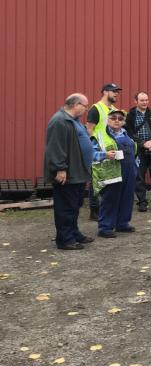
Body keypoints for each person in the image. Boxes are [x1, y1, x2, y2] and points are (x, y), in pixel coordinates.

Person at [44, 94, 94, 250]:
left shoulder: (73, 121)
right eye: (85, 106)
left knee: (74, 205)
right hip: (68, 173)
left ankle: (74, 232)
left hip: (78, 172)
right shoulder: (59, 121)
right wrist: (60, 168)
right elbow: (55, 147)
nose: (86, 109)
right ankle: (65, 239)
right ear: (75, 104)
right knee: (65, 207)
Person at [91, 109, 137, 237]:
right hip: (111, 173)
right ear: (107, 120)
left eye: (120, 118)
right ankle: (105, 227)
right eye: (113, 117)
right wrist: (104, 155)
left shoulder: (126, 133)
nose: (117, 120)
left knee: (127, 198)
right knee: (110, 200)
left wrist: (136, 165)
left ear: (123, 122)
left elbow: (134, 150)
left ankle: (122, 224)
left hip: (129, 170)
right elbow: (90, 154)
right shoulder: (99, 135)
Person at [125, 91, 151, 212]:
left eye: (146, 100)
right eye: (142, 100)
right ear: (136, 101)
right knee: (139, 178)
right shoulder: (130, 116)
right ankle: (142, 202)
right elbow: (129, 133)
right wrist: (143, 143)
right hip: (139, 151)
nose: (145, 102)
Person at [85, 83, 122, 220]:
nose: (116, 94)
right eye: (113, 91)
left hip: (112, 151)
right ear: (105, 92)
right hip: (98, 150)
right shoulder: (96, 109)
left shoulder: (114, 110)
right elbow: (89, 129)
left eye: (117, 91)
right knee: (96, 180)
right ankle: (94, 210)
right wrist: (90, 149)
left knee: (110, 179)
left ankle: (107, 208)